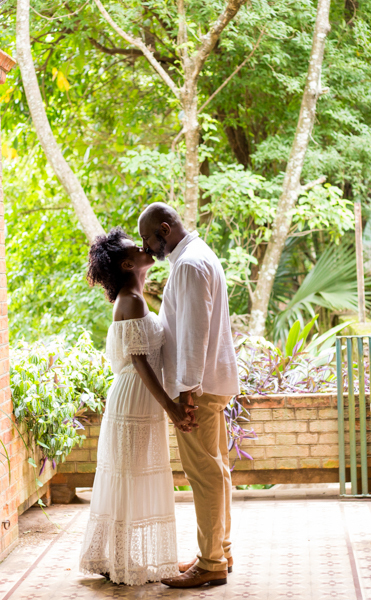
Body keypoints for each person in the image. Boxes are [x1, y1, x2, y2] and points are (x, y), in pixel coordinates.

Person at [77, 227, 196, 586]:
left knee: (131, 476)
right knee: (129, 478)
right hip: (135, 396)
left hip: (138, 397)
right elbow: (141, 362)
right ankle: (122, 560)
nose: (145, 246)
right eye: (136, 246)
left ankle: (118, 557)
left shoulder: (134, 297)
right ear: (128, 263)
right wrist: (172, 409)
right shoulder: (131, 300)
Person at [137, 203, 240, 589]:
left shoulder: (190, 265)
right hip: (209, 384)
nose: (146, 249)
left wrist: (187, 394)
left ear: (165, 229)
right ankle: (220, 550)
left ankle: (211, 562)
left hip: (199, 388)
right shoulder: (197, 257)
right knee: (216, 469)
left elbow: (195, 334)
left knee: (204, 473)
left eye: (148, 239)